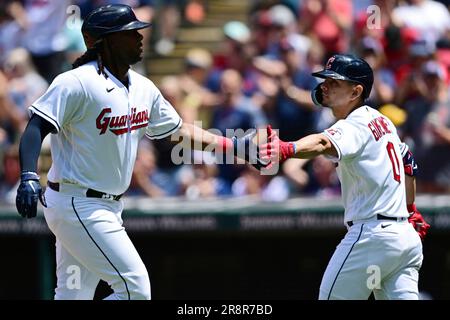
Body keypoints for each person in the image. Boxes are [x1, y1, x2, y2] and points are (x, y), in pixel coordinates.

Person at [15, 4, 266, 300]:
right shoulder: (76, 82)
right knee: (135, 289)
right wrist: (29, 175)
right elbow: (36, 127)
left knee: (72, 296)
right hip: (78, 204)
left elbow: (180, 131)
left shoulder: (143, 87)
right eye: (130, 33)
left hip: (101, 205)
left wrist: (234, 146)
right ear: (105, 42)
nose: (140, 37)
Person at [260, 54, 430, 300]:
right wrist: (410, 209)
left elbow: (321, 141)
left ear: (355, 92)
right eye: (325, 81)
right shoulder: (383, 120)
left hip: (372, 237)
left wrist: (287, 148)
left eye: (335, 82)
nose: (325, 87)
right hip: (405, 239)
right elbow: (408, 164)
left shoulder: (355, 123)